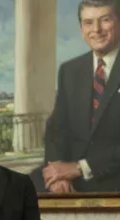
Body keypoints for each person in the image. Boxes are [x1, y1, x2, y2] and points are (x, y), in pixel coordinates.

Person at [43, 0, 120, 193]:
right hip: (71, 176)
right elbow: (56, 129)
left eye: (105, 20)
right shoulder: (70, 70)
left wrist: (80, 168)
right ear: (81, 28)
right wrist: (57, 172)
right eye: (88, 22)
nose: (97, 29)